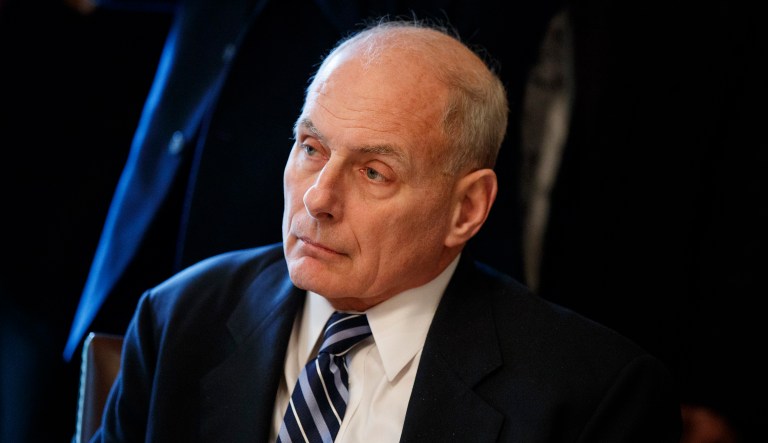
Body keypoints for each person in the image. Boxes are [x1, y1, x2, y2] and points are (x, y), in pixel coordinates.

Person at [92, 20, 681, 442]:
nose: (318, 197)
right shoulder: (179, 317)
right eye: (311, 148)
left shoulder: (594, 395)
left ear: (467, 209)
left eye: (375, 172)